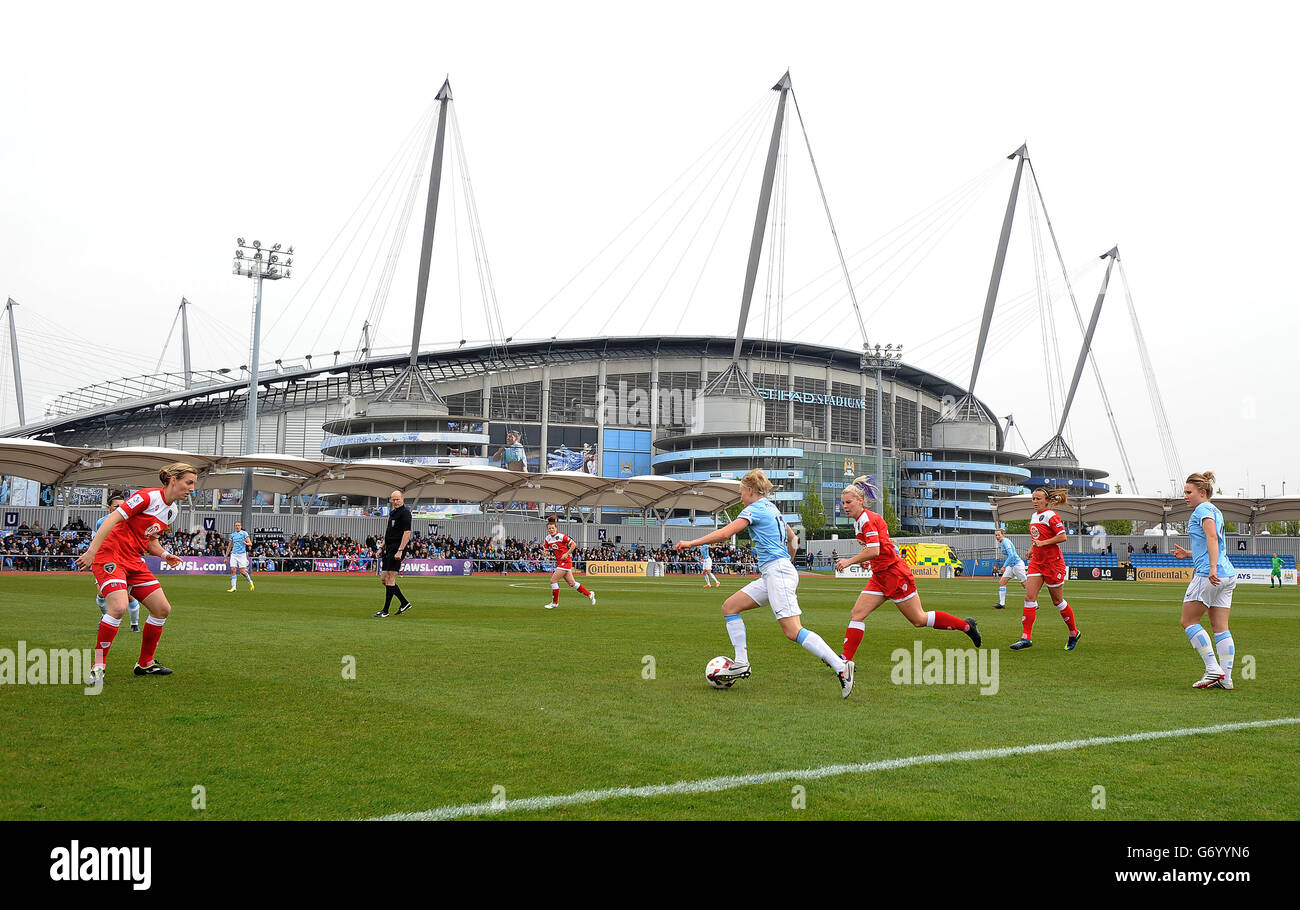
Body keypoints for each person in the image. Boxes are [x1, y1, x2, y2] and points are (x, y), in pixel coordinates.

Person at [676, 469, 853, 698]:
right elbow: (794, 539)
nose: (740, 497)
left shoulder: (755, 508)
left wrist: (691, 542)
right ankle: (741, 662)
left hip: (777, 572)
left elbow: (724, 534)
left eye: (740, 492)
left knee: (792, 630)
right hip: (774, 573)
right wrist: (786, 561)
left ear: (750, 490)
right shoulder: (772, 508)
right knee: (730, 607)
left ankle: (841, 668)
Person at [836, 477, 979, 665]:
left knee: (919, 619)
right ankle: (845, 660)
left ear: (860, 501)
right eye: (843, 503)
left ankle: (967, 626)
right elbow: (879, 549)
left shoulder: (866, 520)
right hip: (880, 576)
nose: (845, 506)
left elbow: (874, 550)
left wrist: (850, 561)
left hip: (895, 575)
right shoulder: (861, 520)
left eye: (848, 502)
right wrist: (869, 562)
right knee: (857, 614)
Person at [75, 463, 198, 682]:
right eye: (188, 483)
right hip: (110, 555)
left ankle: (145, 664)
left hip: (133, 559)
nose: (191, 488)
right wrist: (92, 551)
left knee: (162, 609)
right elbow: (112, 519)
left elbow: (151, 541)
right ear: (173, 480)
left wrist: (164, 555)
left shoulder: (172, 511)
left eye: (193, 484)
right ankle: (98, 666)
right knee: (119, 607)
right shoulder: (146, 497)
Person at [1171, 472, 1238, 689]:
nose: (1185, 496)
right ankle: (1226, 679)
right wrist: (1189, 554)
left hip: (1210, 574)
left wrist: (1210, 568)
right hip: (1226, 574)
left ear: (1203, 492)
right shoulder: (1215, 510)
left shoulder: (1202, 510)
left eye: (1189, 492)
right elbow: (1210, 541)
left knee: (1188, 621)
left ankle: (1212, 669)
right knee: (1220, 627)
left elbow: (1211, 537)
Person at [1012, 487, 1081, 652]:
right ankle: (1025, 637)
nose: (1035, 502)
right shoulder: (1034, 516)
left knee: (1057, 601)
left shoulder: (1051, 515)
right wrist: (1032, 548)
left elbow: (1062, 536)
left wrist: (1042, 543)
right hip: (1037, 561)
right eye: (1033, 499)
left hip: (1053, 563)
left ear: (1047, 500)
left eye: (1038, 499)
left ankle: (1073, 632)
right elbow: (1038, 537)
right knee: (1029, 597)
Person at [93, 493, 141, 632]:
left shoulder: (130, 520)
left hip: (126, 560)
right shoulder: (101, 522)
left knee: (129, 595)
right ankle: (105, 617)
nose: (121, 508)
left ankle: (134, 624)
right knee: (102, 594)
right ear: (109, 508)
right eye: (117, 506)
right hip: (105, 561)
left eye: (123, 506)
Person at [374, 490, 413, 617]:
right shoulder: (392, 513)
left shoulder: (405, 513)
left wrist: (400, 550)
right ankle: (404, 602)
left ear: (402, 499)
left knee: (390, 578)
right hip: (388, 549)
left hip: (397, 549)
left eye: (397, 499)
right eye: (393, 499)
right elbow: (388, 533)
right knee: (384, 579)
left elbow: (407, 533)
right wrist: (381, 548)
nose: (395, 502)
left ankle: (385, 611)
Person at [542, 515, 595, 608]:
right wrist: (545, 553)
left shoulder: (562, 536)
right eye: (549, 528)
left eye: (552, 528)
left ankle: (555, 603)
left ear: (556, 528)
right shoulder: (547, 539)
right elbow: (546, 550)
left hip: (566, 561)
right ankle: (589, 594)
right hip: (560, 562)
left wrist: (567, 553)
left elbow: (574, 544)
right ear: (547, 529)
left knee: (553, 580)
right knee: (572, 583)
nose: (551, 530)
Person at [992, 527, 1027, 610]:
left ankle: (1034, 604)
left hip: (1017, 565)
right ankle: (1002, 604)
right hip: (1011, 566)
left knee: (1025, 585)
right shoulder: (1002, 542)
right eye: (996, 535)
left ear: (1003, 535)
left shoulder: (1005, 542)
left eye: (999, 535)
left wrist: (1004, 566)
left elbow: (1011, 555)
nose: (997, 537)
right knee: (1002, 582)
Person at [225, 521, 255, 592]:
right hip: (234, 554)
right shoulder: (232, 535)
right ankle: (234, 587)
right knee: (233, 570)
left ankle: (250, 581)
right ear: (235, 526)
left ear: (241, 526)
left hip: (242, 555)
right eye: (236, 525)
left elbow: (250, 543)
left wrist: (246, 543)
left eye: (238, 525)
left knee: (242, 571)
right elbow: (229, 546)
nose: (237, 526)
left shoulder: (244, 533)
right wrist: (226, 557)